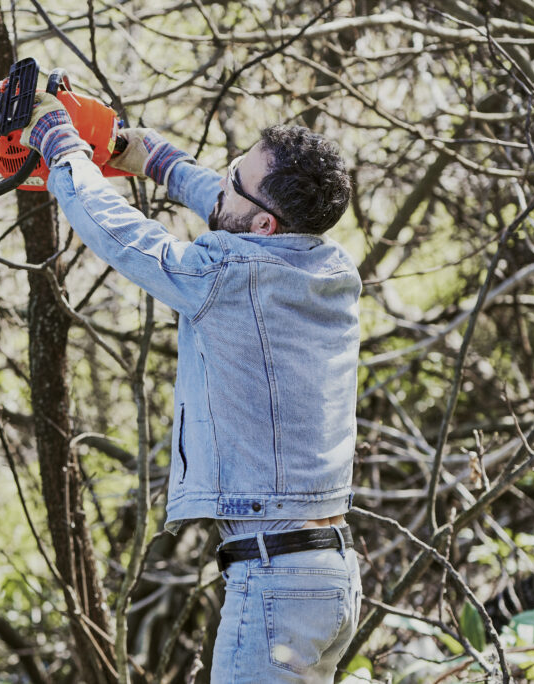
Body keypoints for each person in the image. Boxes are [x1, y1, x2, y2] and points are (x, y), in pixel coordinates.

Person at [20, 94, 363, 682]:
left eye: (234, 178)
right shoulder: (328, 268)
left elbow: (121, 234)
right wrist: (157, 162)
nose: (223, 178)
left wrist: (61, 144)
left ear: (264, 225)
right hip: (328, 579)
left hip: (275, 583)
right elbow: (234, 207)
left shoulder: (227, 278)